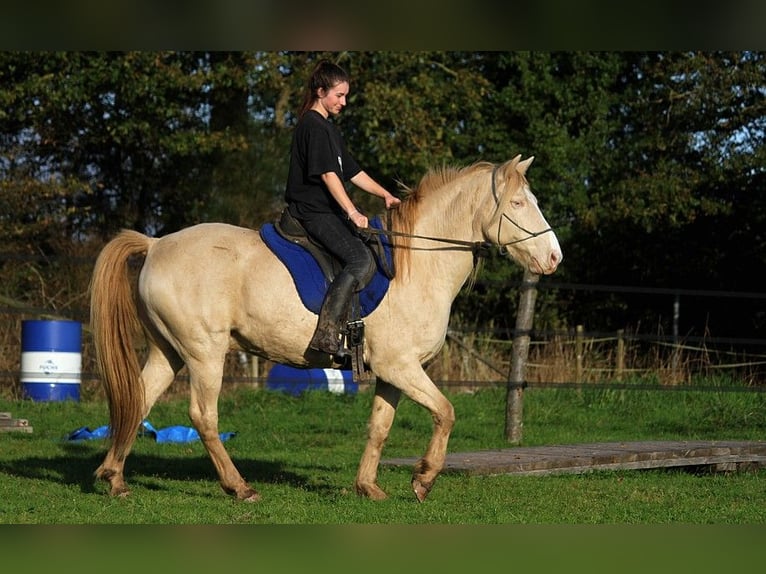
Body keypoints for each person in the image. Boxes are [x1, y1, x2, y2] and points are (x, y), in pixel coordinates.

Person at [285, 59, 401, 356]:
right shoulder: (312, 126)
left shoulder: (329, 130)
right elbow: (328, 175)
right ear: (320, 91)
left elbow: (351, 172)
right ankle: (327, 333)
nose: (344, 102)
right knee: (360, 260)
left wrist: (384, 194)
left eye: (346, 96)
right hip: (312, 212)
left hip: (328, 212)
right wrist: (353, 212)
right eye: (339, 95)